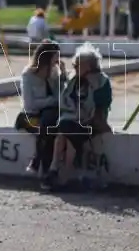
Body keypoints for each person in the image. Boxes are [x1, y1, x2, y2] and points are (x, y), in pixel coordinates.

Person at [43, 44, 113, 191]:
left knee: (66, 133)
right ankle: (58, 172)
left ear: (88, 66)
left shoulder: (101, 82)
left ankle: (58, 173)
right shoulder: (75, 80)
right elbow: (65, 99)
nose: (74, 67)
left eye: (77, 65)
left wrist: (83, 117)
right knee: (63, 134)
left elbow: (100, 109)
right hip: (72, 120)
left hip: (89, 123)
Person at [17, 41, 62, 174]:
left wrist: (63, 76)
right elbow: (30, 104)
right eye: (55, 57)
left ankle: (38, 162)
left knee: (50, 124)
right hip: (32, 115)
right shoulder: (28, 75)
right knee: (49, 125)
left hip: (50, 116)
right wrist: (52, 101)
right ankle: (46, 172)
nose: (58, 61)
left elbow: (62, 95)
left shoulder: (54, 73)